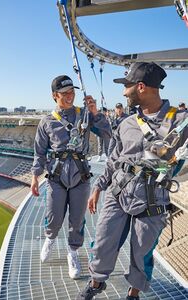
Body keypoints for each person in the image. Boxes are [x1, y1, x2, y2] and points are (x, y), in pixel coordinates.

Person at [77, 62, 188, 300]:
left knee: (142, 251)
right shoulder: (126, 123)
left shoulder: (181, 122)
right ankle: (96, 283)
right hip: (119, 192)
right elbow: (114, 159)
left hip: (153, 198)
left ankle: (133, 293)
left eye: (127, 87)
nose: (124, 92)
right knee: (103, 242)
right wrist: (98, 187)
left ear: (140, 87)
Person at [31, 75, 111, 279]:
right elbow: (39, 151)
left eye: (72, 92)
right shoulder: (47, 121)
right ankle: (49, 239)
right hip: (56, 177)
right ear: (54, 96)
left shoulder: (85, 115)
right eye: (65, 93)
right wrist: (34, 176)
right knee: (54, 217)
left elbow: (107, 134)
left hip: (80, 176)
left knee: (77, 220)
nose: (70, 96)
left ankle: (72, 253)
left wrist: (96, 113)